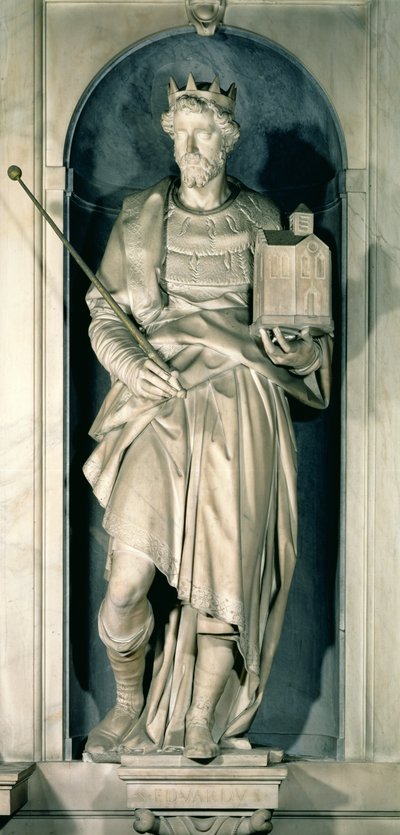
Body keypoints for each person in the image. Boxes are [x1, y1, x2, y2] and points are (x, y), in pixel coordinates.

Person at [83, 74, 332, 762]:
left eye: (207, 135)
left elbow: (302, 326)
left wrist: (297, 343)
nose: (193, 146)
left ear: (227, 142)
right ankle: (129, 705)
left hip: (242, 404)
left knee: (228, 579)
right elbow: (106, 312)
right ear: (172, 135)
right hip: (160, 405)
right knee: (127, 578)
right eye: (184, 133)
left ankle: (202, 717)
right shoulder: (139, 216)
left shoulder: (264, 223)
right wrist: (131, 365)